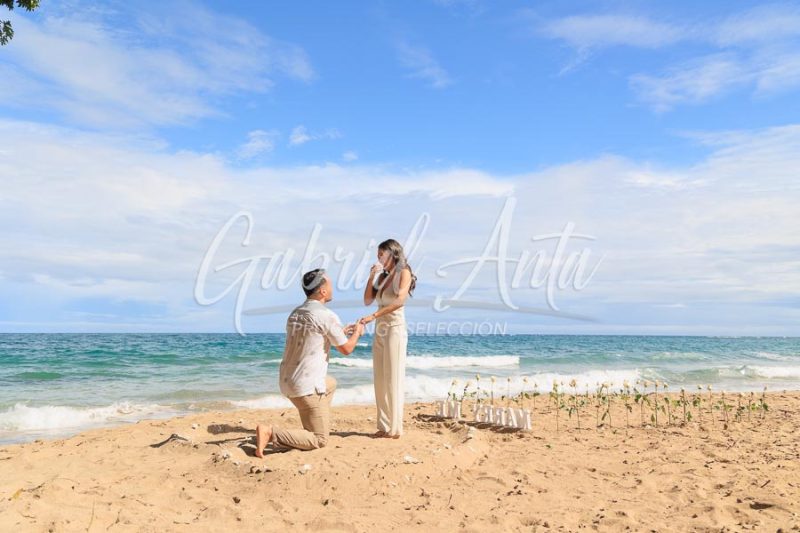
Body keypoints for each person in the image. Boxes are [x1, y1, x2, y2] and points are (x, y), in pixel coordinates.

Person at [255, 269, 364, 458]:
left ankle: (312, 424)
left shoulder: (295, 313)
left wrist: (340, 331)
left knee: (330, 383)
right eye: (329, 284)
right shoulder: (326, 315)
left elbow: (313, 335)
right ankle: (271, 432)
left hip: (287, 381)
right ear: (322, 291)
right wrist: (357, 333)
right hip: (306, 387)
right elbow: (346, 349)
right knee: (320, 440)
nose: (332, 288)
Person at [360, 239, 416, 439]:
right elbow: (367, 300)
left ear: (393, 254)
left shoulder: (404, 272)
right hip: (380, 330)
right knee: (380, 378)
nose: (379, 259)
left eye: (381, 255)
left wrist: (374, 316)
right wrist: (372, 275)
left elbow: (400, 301)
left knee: (393, 378)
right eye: (377, 256)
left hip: (395, 329)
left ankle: (395, 428)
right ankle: (383, 426)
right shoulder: (383, 277)